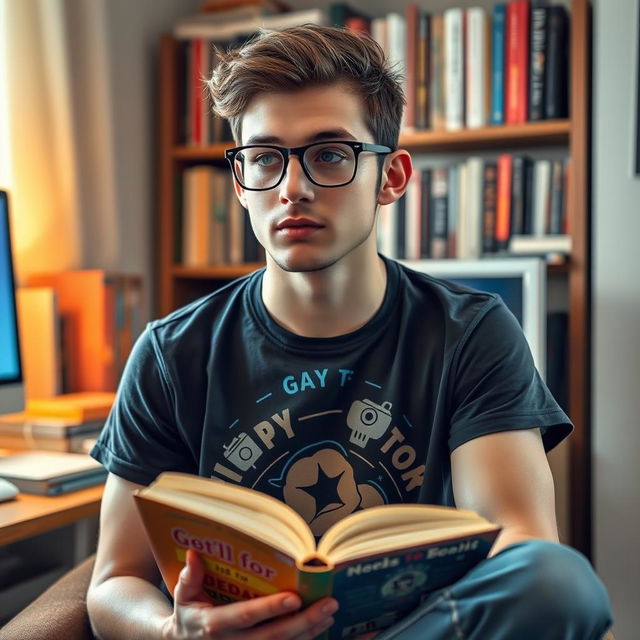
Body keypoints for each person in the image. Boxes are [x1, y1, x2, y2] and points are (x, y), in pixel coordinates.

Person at [86, 24, 613, 640]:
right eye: (264, 158)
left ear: (391, 177)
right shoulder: (172, 352)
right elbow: (112, 584)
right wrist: (176, 632)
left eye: (330, 154)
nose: (292, 188)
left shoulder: (470, 332)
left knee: (557, 580)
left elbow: (520, 542)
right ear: (240, 182)